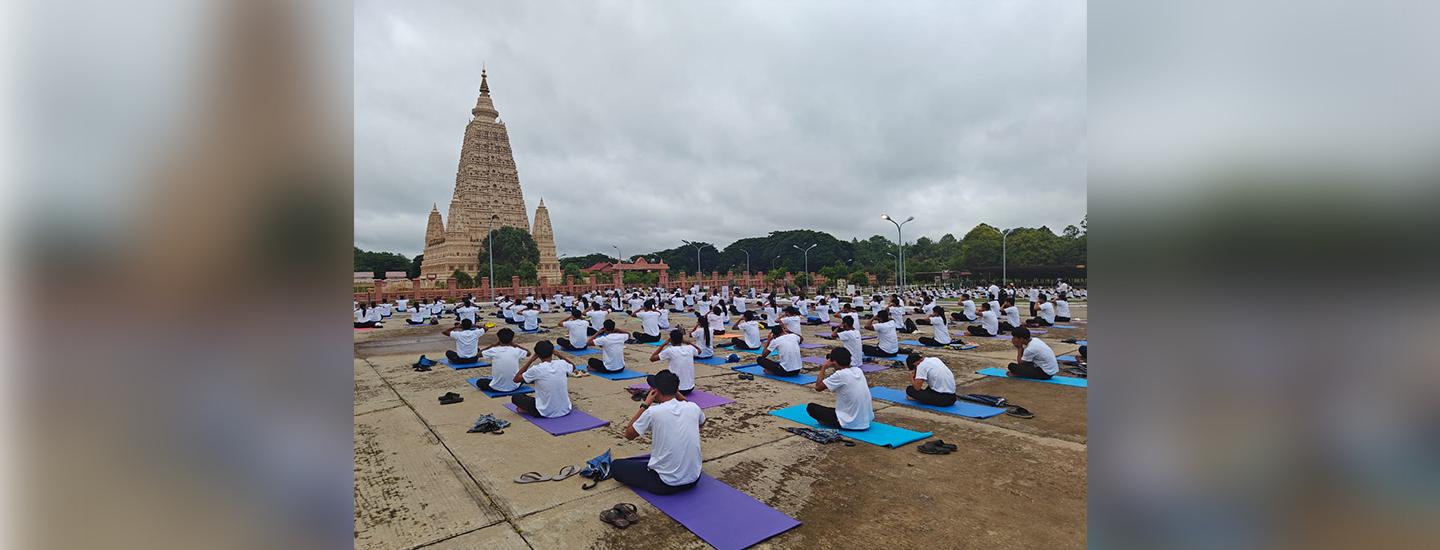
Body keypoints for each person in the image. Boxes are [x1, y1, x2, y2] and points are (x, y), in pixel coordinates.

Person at [616, 370, 704, 495]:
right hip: (693, 479)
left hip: (665, 483)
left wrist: (645, 405)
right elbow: (701, 421)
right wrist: (679, 396)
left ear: (655, 392)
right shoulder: (693, 407)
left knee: (617, 466)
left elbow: (628, 434)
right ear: (677, 389)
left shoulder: (653, 412)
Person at [806, 348, 874, 430]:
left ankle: (832, 422)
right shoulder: (858, 371)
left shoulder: (840, 375)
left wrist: (824, 367)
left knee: (811, 407)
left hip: (849, 423)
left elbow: (818, 387)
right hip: (865, 421)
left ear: (834, 362)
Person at [511, 341, 573, 417]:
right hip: (565, 409)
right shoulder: (561, 363)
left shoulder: (536, 369)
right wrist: (558, 354)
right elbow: (573, 366)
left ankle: (529, 410)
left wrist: (530, 360)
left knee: (516, 397)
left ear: (537, 355)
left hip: (545, 411)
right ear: (552, 351)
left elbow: (516, 379)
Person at [479, 329, 530, 393]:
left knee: (480, 382)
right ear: (511, 340)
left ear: (499, 340)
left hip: (497, 387)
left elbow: (478, 354)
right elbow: (528, 353)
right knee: (523, 375)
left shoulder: (494, 350)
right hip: (515, 386)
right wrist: (515, 345)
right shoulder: (516, 350)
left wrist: (492, 345)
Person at [650, 330, 699, 395]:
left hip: (675, 390)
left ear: (671, 340)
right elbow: (699, 351)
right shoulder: (690, 348)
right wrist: (688, 342)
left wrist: (663, 345)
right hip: (690, 388)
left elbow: (652, 358)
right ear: (682, 339)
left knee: (650, 378)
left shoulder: (670, 350)